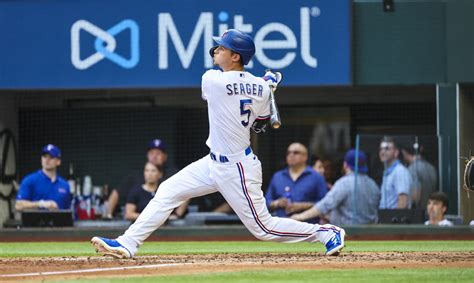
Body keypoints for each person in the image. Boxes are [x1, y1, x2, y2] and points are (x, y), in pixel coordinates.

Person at [91, 29, 345, 259]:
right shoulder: (261, 88)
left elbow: (247, 104)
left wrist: (265, 85)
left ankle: (326, 232)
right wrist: (267, 86)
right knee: (168, 190)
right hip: (213, 162)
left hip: (238, 167)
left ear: (236, 56)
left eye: (222, 48)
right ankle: (128, 242)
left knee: (264, 228)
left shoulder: (212, 80)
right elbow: (260, 123)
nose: (216, 51)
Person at [291, 150, 380, 226]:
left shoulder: (344, 183)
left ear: (345, 165)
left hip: (349, 234)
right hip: (370, 235)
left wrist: (299, 217)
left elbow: (325, 205)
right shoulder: (373, 184)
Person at [106, 139, 185, 219]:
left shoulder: (173, 174)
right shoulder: (136, 177)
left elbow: (187, 191)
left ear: (165, 156)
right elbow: (116, 193)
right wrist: (108, 215)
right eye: (151, 153)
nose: (154, 156)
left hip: (169, 222)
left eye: (158, 153)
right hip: (141, 221)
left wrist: (177, 215)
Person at [266, 143, 327, 223]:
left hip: (308, 227)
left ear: (305, 157)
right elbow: (266, 202)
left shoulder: (316, 177)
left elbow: (325, 203)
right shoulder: (278, 176)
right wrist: (277, 203)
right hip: (281, 228)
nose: (291, 155)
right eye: (288, 153)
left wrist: (302, 206)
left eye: (296, 152)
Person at [15, 144, 71, 211]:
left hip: (58, 221)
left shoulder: (64, 185)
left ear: (58, 162)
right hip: (35, 221)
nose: (47, 160)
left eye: (51, 157)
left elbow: (67, 211)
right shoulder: (29, 180)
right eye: (44, 156)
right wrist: (41, 204)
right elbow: (18, 205)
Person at [378, 136, 412, 209]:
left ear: (396, 152)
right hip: (385, 217)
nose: (383, 152)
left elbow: (403, 201)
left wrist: (394, 220)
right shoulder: (388, 172)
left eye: (387, 149)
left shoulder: (400, 171)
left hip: (392, 219)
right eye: (381, 149)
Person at [401, 142, 437, 210]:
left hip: (419, 212)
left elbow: (415, 196)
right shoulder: (431, 168)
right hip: (430, 210)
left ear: (404, 152)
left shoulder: (412, 169)